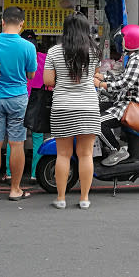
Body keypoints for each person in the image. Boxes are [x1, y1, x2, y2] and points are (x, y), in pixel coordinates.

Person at [42, 13, 102, 209]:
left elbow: (48, 81)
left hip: (63, 107)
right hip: (89, 106)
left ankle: (60, 199)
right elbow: (95, 77)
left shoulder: (54, 52)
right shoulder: (94, 51)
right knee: (85, 155)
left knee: (63, 155)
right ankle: (84, 199)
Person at [0, 6, 37, 202]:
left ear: (2, 22)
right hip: (19, 98)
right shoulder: (28, 47)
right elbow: (31, 75)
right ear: (22, 24)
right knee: (17, 143)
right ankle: (15, 189)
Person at [97, 24, 139, 166]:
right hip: (128, 103)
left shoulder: (137, 60)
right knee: (96, 108)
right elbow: (122, 77)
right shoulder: (136, 57)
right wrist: (103, 77)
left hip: (135, 107)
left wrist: (101, 84)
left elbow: (124, 83)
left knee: (96, 123)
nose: (121, 43)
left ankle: (116, 150)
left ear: (131, 41)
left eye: (123, 40)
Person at [3, 29, 47, 183]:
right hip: (38, 102)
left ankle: (10, 173)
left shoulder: (14, 56)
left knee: (14, 139)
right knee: (38, 139)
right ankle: (36, 174)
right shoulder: (44, 58)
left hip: (18, 98)